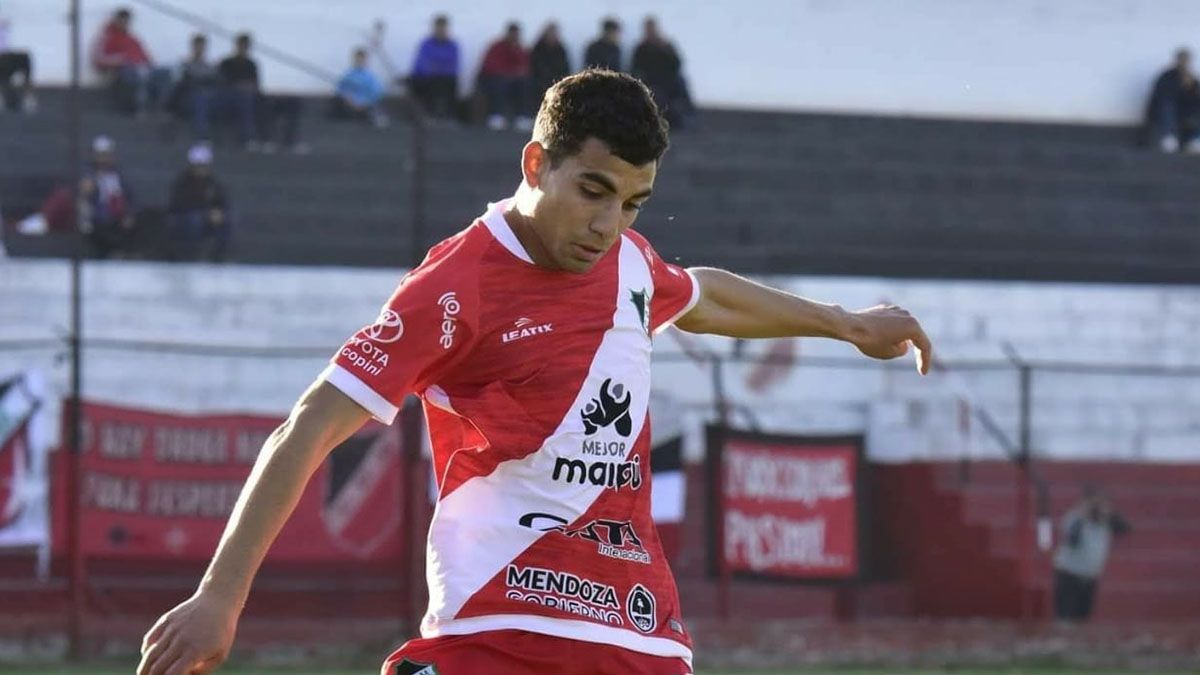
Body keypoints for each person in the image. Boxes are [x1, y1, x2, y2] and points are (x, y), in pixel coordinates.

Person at [136, 69, 933, 675]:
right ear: (535, 162)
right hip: (495, 624)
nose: (607, 223)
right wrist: (221, 594)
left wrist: (844, 324)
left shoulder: (624, 258)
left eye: (633, 202)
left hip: (636, 630)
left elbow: (703, 294)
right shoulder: (457, 284)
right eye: (592, 190)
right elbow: (309, 425)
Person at [1053, 485, 1131, 622]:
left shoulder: (1105, 520)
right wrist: (1084, 517)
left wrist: (1111, 514)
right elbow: (1072, 541)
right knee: (1065, 617)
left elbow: (1125, 529)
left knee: (1083, 617)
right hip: (1069, 575)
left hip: (1090, 576)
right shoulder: (1074, 518)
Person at [219, 33, 307, 154]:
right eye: (242, 45)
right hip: (234, 97)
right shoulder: (226, 63)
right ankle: (252, 138)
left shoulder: (251, 64)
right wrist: (241, 87)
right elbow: (223, 84)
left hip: (253, 95)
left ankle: (290, 140)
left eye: (246, 45)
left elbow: (256, 84)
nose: (244, 48)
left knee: (291, 102)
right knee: (247, 100)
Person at [91, 7, 173, 115]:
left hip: (140, 70)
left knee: (165, 73)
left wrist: (147, 67)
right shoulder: (108, 37)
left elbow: (146, 59)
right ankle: (139, 109)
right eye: (121, 20)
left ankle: (160, 108)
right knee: (134, 74)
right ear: (116, 20)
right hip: (120, 73)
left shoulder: (133, 39)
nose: (124, 23)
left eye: (126, 20)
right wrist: (120, 60)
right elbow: (99, 59)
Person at [167, 143, 231, 262]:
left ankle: (218, 257)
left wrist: (218, 212)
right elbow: (180, 204)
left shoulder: (213, 182)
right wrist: (207, 212)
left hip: (208, 216)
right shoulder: (183, 182)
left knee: (226, 221)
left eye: (204, 165)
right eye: (199, 165)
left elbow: (221, 201)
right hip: (186, 216)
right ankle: (192, 256)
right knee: (194, 221)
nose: (201, 169)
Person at [631, 17, 694, 130]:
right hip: (651, 83)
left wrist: (664, 49)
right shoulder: (641, 48)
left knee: (681, 85)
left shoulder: (665, 45)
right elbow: (634, 68)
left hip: (668, 82)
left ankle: (689, 118)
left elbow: (677, 64)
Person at [79, 135, 137, 259]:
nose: (104, 158)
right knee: (101, 226)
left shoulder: (119, 175)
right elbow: (85, 196)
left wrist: (129, 214)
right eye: (100, 155)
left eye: (106, 154)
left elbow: (129, 196)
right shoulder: (88, 174)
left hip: (118, 215)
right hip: (98, 216)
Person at [478, 22, 532, 131]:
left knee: (524, 84)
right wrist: (508, 73)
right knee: (499, 84)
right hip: (495, 78)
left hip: (514, 79)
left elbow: (524, 66)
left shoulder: (520, 48)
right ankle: (496, 115)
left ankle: (521, 117)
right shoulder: (496, 47)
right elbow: (490, 66)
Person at [1144, 48, 1200, 153]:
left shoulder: (1192, 78)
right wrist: (1180, 85)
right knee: (1168, 107)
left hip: (1184, 111)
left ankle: (1195, 140)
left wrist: (1191, 88)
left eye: (1186, 60)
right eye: (1182, 60)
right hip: (1163, 111)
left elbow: (1195, 99)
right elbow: (1162, 96)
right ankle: (1169, 138)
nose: (1184, 63)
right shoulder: (1166, 76)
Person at [408, 14, 460, 121]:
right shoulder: (426, 44)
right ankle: (427, 114)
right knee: (423, 82)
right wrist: (433, 68)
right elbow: (420, 63)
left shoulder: (453, 45)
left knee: (450, 82)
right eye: (438, 27)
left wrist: (438, 67)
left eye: (443, 27)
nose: (440, 30)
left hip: (444, 77)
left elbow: (453, 65)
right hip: (427, 76)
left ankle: (448, 116)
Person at [170, 34, 222, 140]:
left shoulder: (209, 67)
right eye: (198, 46)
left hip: (209, 98)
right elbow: (180, 84)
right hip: (189, 99)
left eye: (202, 46)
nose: (200, 49)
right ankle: (202, 135)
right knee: (200, 99)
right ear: (193, 47)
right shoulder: (185, 65)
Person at [332, 47, 389, 128]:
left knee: (376, 107)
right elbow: (341, 90)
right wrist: (349, 100)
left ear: (365, 61)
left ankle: (376, 118)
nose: (359, 62)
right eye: (357, 60)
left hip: (366, 105)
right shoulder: (348, 75)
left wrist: (364, 103)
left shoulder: (371, 77)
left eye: (361, 60)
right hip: (350, 104)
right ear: (354, 60)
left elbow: (376, 93)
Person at [0, 8, 35, 112]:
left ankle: (25, 97)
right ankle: (14, 98)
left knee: (23, 58)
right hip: (6, 59)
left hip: (7, 58)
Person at [530, 22, 570, 108]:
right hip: (540, 78)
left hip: (557, 78)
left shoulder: (560, 48)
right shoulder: (538, 47)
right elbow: (534, 64)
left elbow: (565, 65)